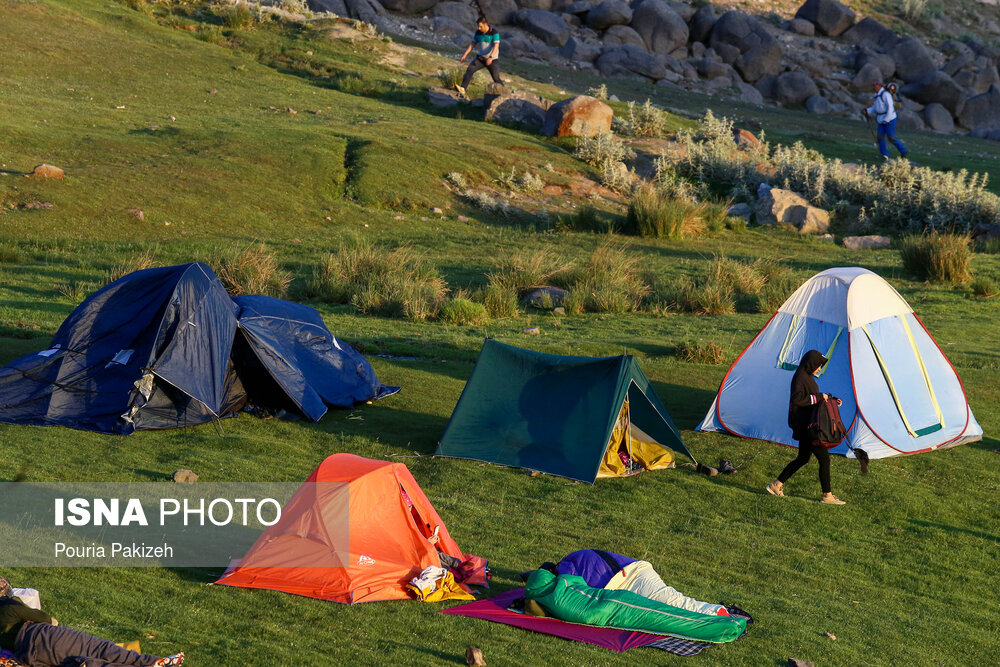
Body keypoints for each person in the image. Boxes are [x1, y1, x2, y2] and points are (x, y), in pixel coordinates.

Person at [0, 582, 184, 667]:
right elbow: (49, 620)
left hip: (30, 656)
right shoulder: (8, 607)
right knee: (100, 649)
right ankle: (153, 662)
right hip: (42, 637)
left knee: (83, 662)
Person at [765, 350, 846, 505]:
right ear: (810, 363)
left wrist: (831, 399)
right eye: (818, 366)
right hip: (807, 427)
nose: (819, 369)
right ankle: (827, 496)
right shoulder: (800, 378)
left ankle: (776, 485)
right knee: (824, 459)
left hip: (807, 425)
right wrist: (818, 397)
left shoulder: (807, 377)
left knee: (802, 458)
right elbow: (797, 400)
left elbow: (813, 397)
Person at [454, 16, 501, 98]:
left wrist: (491, 57)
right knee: (470, 69)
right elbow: (472, 44)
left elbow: (496, 46)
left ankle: (504, 93)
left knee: (496, 78)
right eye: (478, 26)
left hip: (492, 60)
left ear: (485, 24)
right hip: (481, 59)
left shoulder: (494, 32)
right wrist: (465, 54)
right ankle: (463, 89)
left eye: (481, 26)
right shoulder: (478, 32)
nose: (479, 28)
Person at [863, 80, 908, 161]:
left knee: (890, 137)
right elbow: (876, 107)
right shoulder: (877, 95)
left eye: (875, 84)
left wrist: (887, 119)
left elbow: (890, 108)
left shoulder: (885, 95)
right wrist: (867, 110)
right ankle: (885, 155)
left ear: (880, 85)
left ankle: (903, 151)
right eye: (873, 84)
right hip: (881, 120)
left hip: (889, 119)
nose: (874, 86)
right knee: (880, 137)